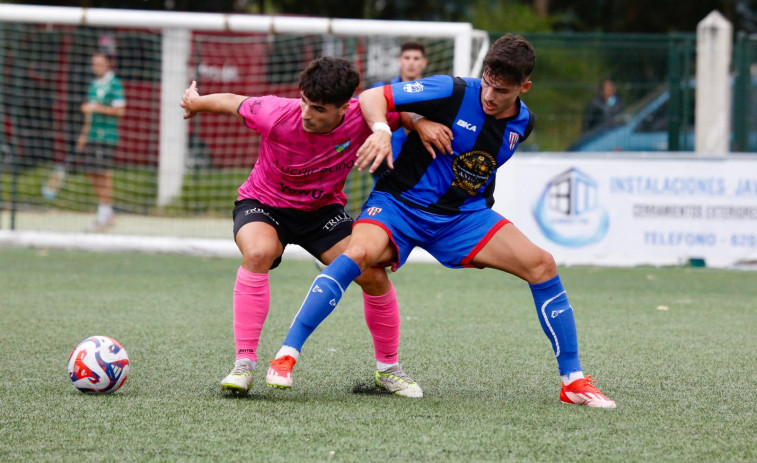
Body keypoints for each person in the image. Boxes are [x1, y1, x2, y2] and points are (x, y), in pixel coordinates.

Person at [266, 34, 617, 408]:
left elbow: (477, 171)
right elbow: (372, 97)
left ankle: (573, 382)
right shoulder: (450, 89)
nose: (489, 95)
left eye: (501, 90)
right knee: (356, 255)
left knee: (542, 264)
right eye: (487, 82)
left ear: (524, 87)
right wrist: (402, 126)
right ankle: (287, 355)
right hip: (399, 204)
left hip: (462, 217)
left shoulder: (523, 124)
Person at [180, 57, 436, 397]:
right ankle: (244, 364)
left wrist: (420, 123)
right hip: (263, 205)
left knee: (372, 273)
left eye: (317, 108)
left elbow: (399, 112)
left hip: (321, 213)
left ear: (344, 107)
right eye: (304, 101)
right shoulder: (274, 113)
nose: (306, 113)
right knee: (258, 252)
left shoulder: (363, 116)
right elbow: (231, 102)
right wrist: (195, 103)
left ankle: (389, 369)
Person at [42, 51, 126, 232]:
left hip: (107, 136)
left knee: (104, 173)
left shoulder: (114, 83)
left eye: (99, 64)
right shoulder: (93, 85)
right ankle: (107, 211)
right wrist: (83, 136)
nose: (96, 67)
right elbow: (89, 115)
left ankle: (104, 214)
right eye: (94, 64)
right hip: (92, 135)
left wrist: (97, 107)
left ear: (107, 65)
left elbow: (120, 111)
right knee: (91, 172)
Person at [368, 40, 428, 180]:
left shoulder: (434, 93)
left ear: (424, 62)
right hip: (385, 169)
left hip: (421, 170)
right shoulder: (380, 90)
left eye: (416, 58)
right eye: (407, 58)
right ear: (400, 61)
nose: (411, 62)